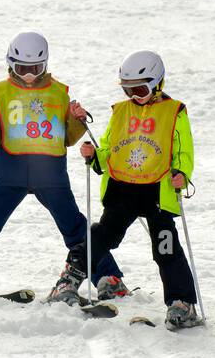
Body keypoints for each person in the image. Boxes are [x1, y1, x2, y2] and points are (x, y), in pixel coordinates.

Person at [0, 31, 126, 298]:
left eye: (36, 68)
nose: (30, 75)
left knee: (74, 226)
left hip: (50, 173)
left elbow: (66, 136)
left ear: (45, 64)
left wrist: (77, 120)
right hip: (11, 172)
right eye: (23, 68)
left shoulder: (59, 92)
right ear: (10, 63)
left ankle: (109, 278)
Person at [46, 50, 202, 329]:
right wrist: (95, 155)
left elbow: (183, 151)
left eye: (140, 89)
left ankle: (182, 302)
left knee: (165, 247)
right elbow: (111, 147)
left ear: (158, 83)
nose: (135, 95)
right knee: (102, 235)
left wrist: (181, 174)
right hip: (123, 189)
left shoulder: (174, 111)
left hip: (157, 190)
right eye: (129, 89)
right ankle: (69, 279)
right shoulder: (121, 111)